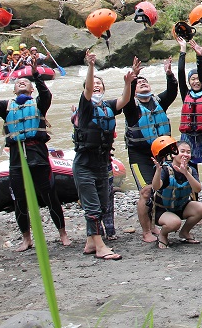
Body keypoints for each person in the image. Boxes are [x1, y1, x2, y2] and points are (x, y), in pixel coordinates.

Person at [0, 62, 70, 251]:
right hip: (16, 159)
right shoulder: (6, 107)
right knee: (20, 199)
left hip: (38, 156)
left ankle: (63, 234)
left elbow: (46, 94)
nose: (21, 83)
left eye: (25, 81)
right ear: (14, 90)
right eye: (18, 82)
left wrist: (36, 75)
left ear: (31, 88)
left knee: (49, 196)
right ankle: (26, 239)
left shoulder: (39, 103)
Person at [72, 50, 133, 260]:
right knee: (93, 206)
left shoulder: (107, 107)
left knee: (102, 204)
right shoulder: (86, 107)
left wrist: (128, 82)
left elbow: (124, 100)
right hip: (84, 164)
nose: (97, 85)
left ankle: (91, 242)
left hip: (102, 164)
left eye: (101, 83)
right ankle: (100, 247)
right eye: (94, 83)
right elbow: (88, 88)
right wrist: (91, 67)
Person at [123, 57, 177, 243]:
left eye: (144, 82)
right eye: (138, 84)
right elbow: (127, 98)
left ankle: (155, 223)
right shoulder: (131, 108)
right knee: (146, 191)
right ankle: (146, 230)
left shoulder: (159, 101)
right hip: (139, 156)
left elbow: (172, 92)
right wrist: (133, 78)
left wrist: (169, 74)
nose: (142, 84)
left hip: (160, 154)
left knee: (158, 190)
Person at [176, 35, 202, 220]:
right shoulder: (185, 93)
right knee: (190, 172)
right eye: (192, 79)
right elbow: (179, 73)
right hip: (188, 140)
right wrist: (183, 51)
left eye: (197, 78)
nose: (195, 81)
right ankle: (194, 205)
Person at [151, 140, 202, 248]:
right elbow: (156, 187)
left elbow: (197, 189)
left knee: (201, 208)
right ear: (173, 154)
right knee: (175, 223)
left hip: (180, 206)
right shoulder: (165, 169)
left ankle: (185, 232)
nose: (186, 154)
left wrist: (186, 173)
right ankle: (163, 235)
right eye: (182, 151)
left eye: (188, 152)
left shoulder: (191, 170)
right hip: (162, 210)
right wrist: (158, 171)